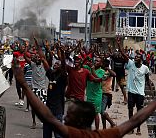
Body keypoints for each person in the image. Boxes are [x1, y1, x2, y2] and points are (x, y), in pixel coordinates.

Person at [12, 58, 156, 138]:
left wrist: (24, 85)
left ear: (78, 121)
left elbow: (47, 117)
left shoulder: (73, 134)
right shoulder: (104, 135)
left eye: (69, 115)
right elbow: (135, 120)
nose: (65, 117)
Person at [117, 37, 152, 135]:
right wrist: (119, 44)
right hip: (131, 92)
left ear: (141, 60)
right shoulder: (131, 64)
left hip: (140, 93)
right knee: (130, 110)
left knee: (139, 112)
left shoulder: (145, 68)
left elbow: (147, 80)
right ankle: (131, 128)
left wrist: (152, 93)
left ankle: (139, 129)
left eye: (137, 58)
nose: (135, 59)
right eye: (135, 57)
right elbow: (123, 54)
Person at [101, 58, 116, 129]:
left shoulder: (108, 72)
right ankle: (104, 128)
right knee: (102, 111)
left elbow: (114, 74)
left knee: (102, 111)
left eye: (102, 63)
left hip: (106, 94)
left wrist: (108, 68)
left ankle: (112, 123)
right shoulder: (100, 71)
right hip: (100, 93)